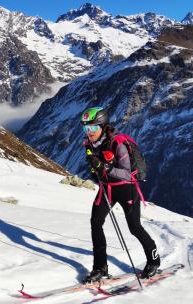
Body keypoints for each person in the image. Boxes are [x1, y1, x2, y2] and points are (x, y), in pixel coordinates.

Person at [80, 106, 160, 283]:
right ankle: (100, 267)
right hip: (107, 188)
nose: (89, 132)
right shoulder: (90, 145)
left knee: (134, 227)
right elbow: (97, 171)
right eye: (85, 128)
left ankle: (154, 260)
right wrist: (96, 168)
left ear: (102, 126)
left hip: (126, 188)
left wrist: (104, 167)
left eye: (92, 128)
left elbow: (127, 174)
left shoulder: (118, 143)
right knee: (96, 222)